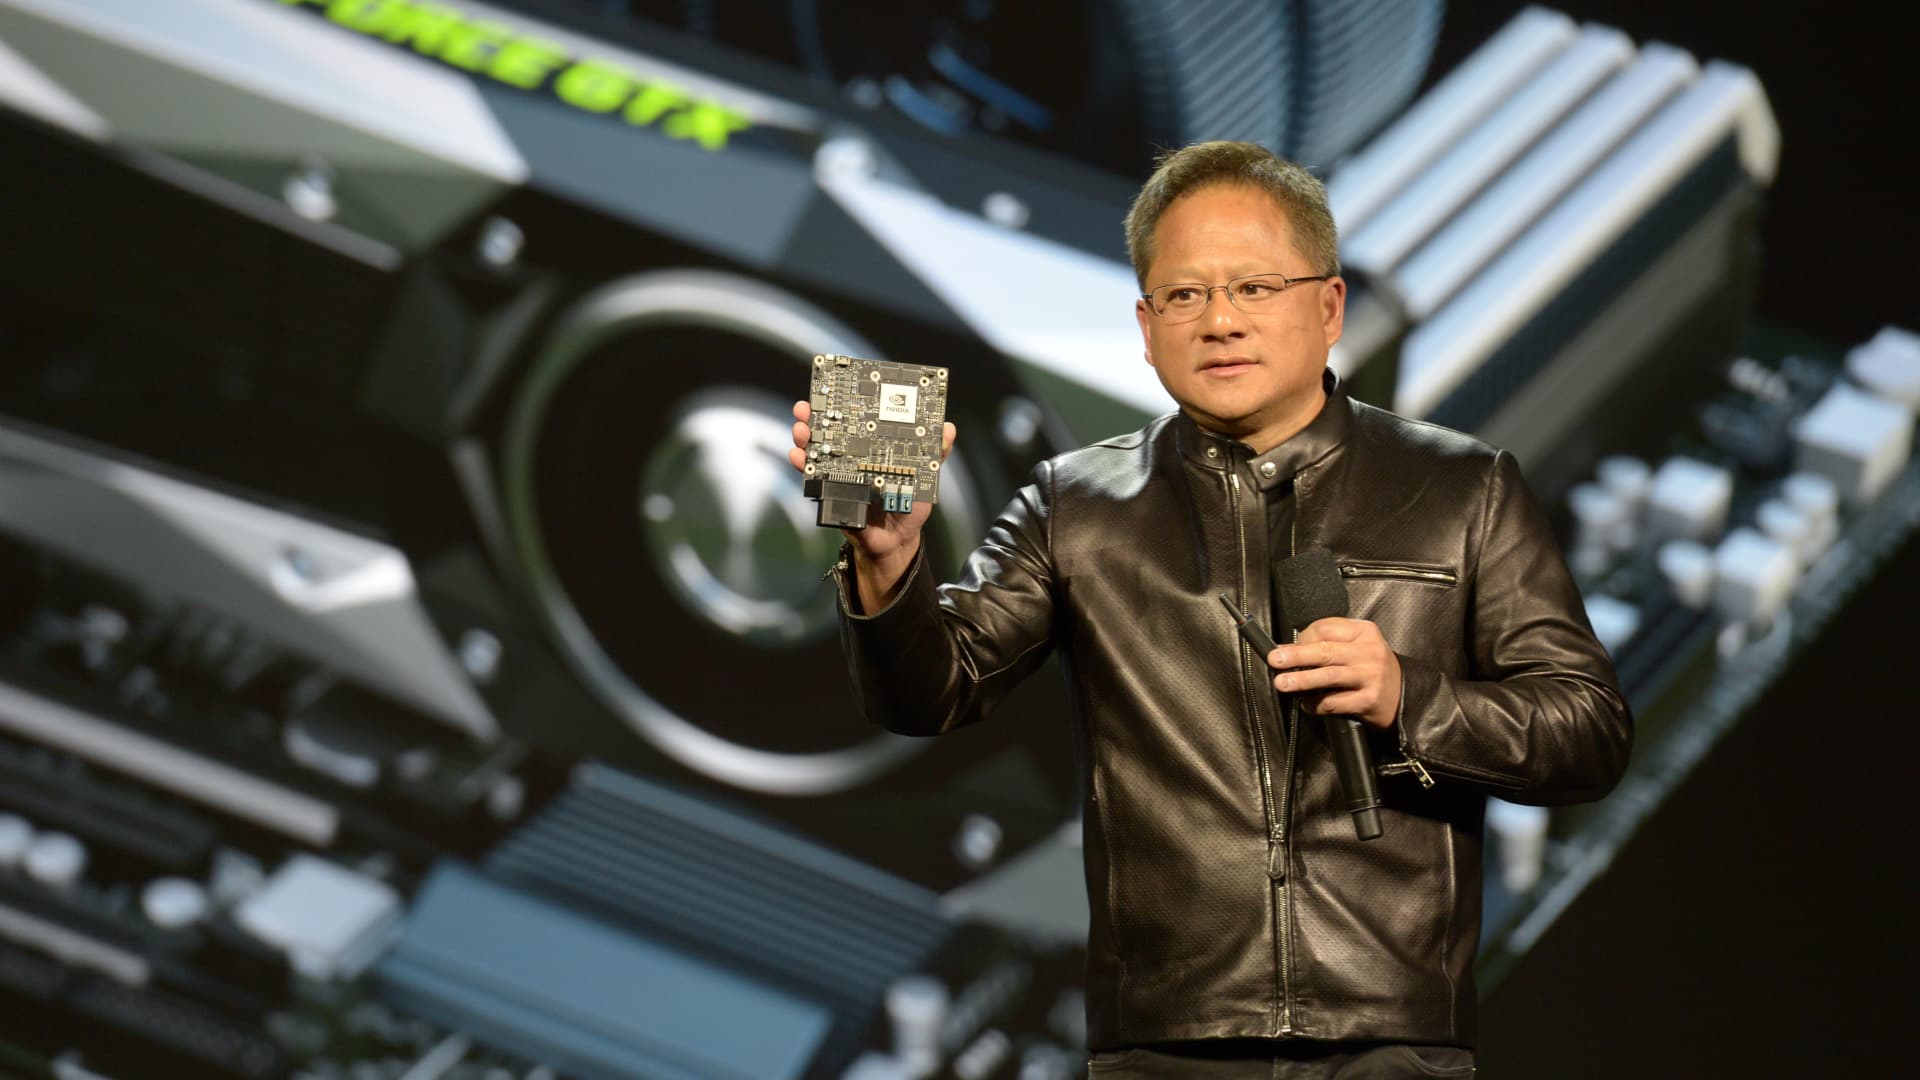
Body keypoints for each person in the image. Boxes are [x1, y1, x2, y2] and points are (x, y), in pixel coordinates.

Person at [788, 141, 1631, 1079]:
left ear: (1330, 307)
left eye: (1255, 288)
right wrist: (888, 566)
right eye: (1185, 295)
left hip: (1391, 1040)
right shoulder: (1075, 503)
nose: (1220, 321)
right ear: (1146, 329)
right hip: (1166, 1043)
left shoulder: (1462, 489)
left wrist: (1410, 697)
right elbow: (929, 693)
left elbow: (1588, 732)